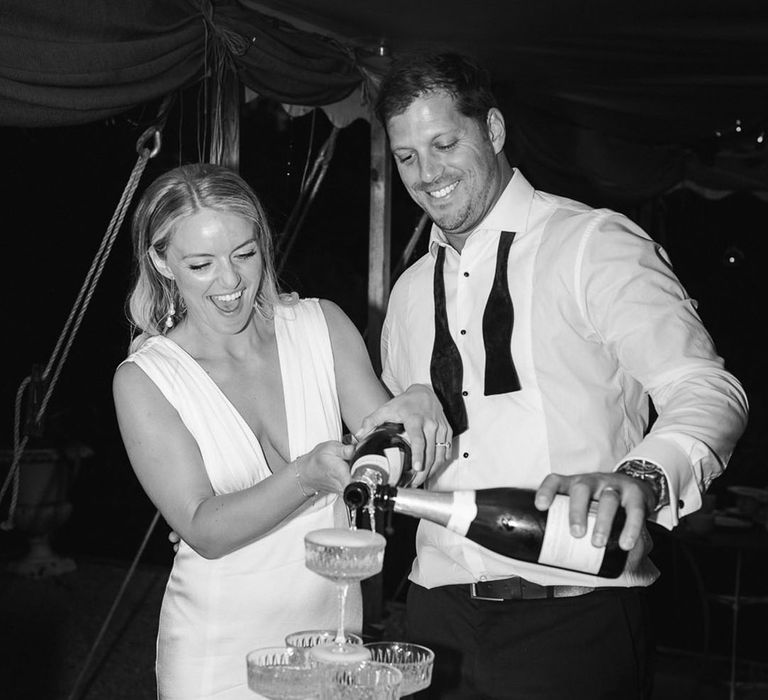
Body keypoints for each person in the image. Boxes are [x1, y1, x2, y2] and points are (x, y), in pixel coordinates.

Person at [359, 52, 749, 699]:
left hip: (574, 615)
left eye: (444, 143)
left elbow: (707, 389)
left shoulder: (593, 245)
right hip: (434, 612)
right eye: (406, 157)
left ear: (494, 131)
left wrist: (642, 478)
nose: (426, 175)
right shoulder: (404, 297)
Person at [112, 163, 450, 699]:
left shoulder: (322, 326)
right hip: (216, 650)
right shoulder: (145, 380)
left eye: (244, 254)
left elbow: (391, 450)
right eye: (201, 264)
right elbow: (203, 526)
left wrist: (413, 410)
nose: (230, 283)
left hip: (332, 637)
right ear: (161, 262)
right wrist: (305, 478)